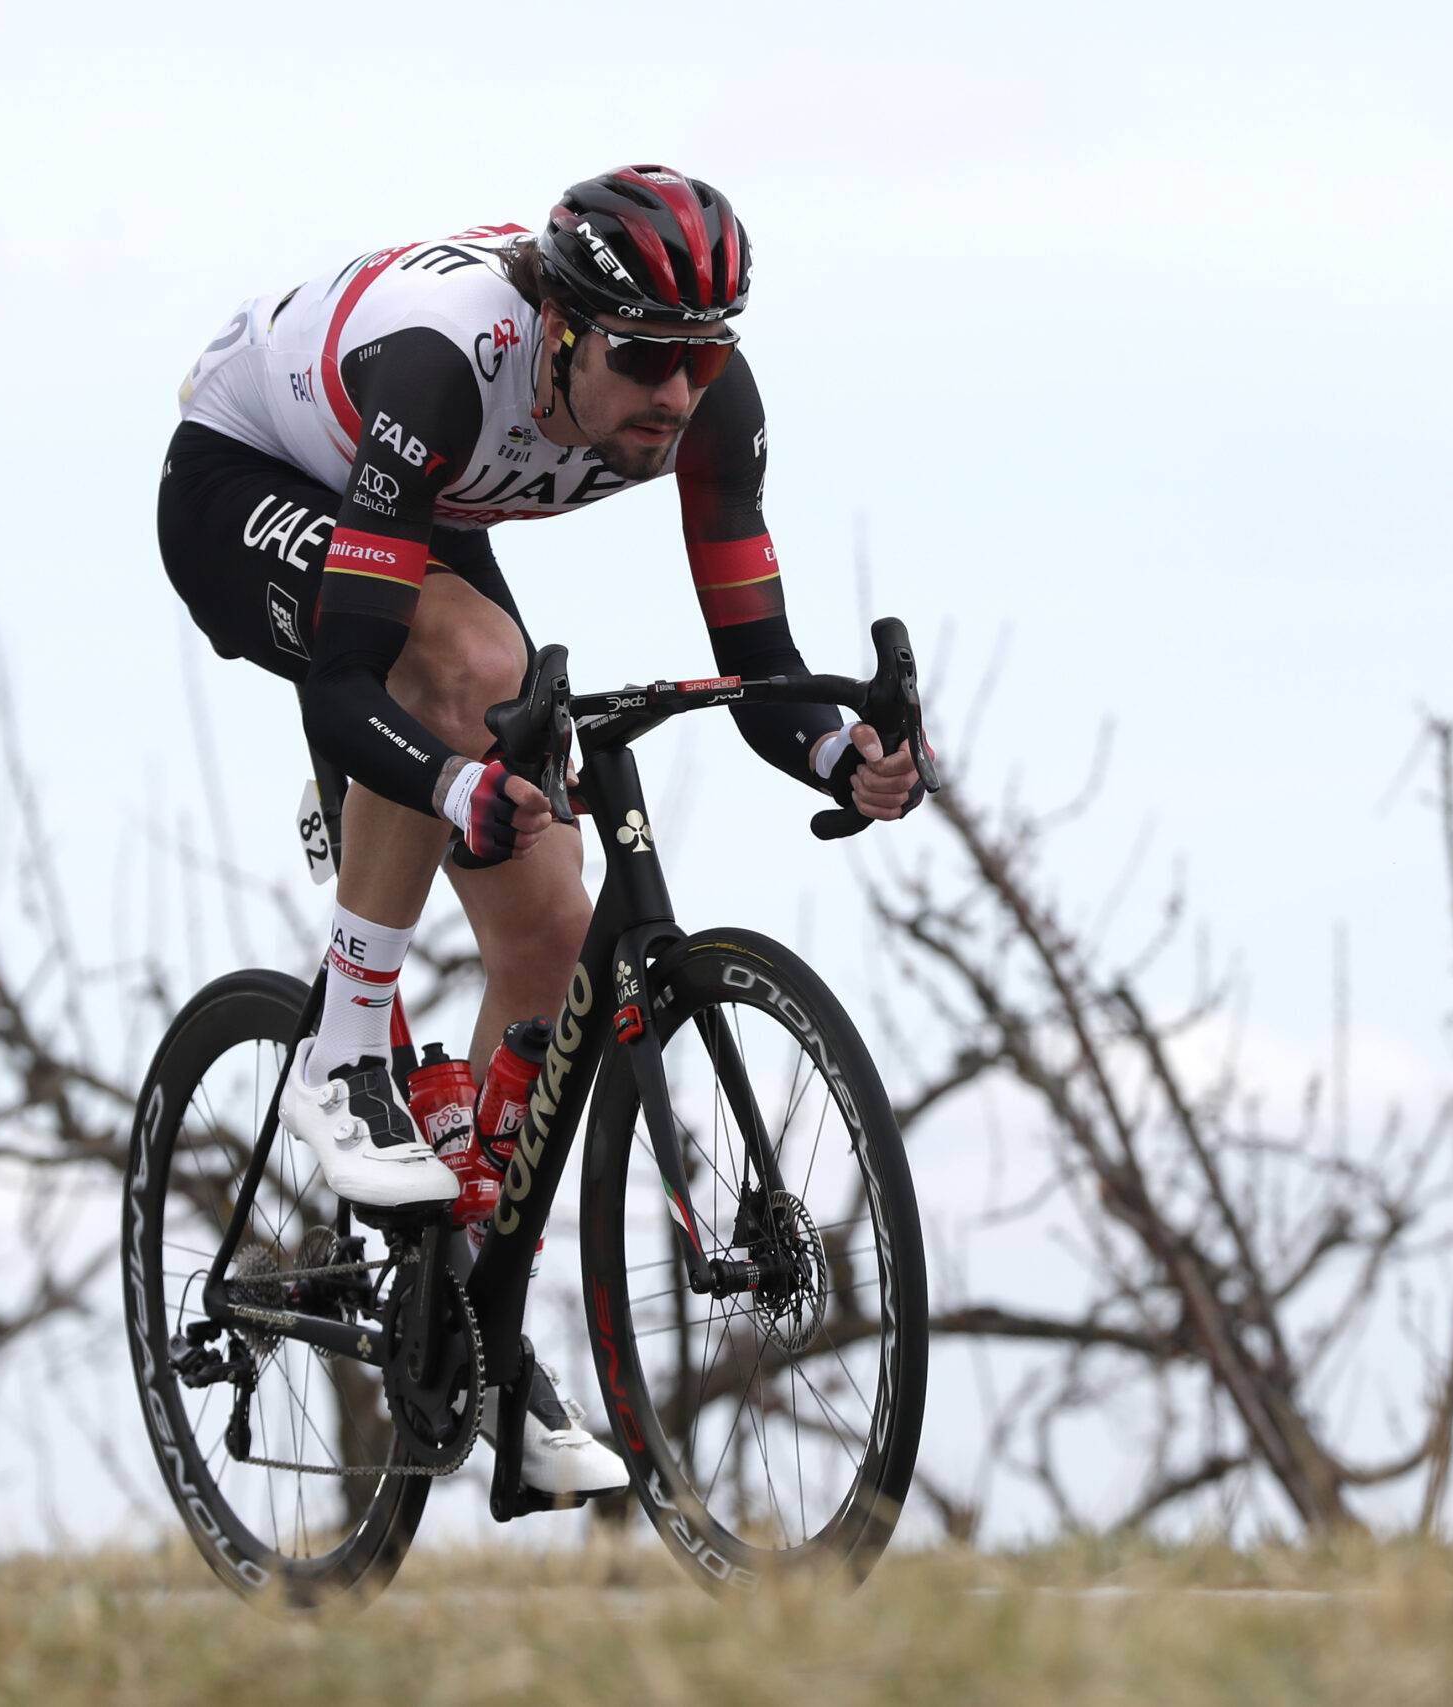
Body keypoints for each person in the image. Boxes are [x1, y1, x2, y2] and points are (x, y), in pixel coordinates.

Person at [156, 165, 926, 1502]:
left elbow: (759, 661)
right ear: (562, 331)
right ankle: (343, 1052)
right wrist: (439, 780)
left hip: (420, 508)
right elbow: (345, 679)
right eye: (644, 358)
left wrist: (837, 753)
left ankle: (470, 1331)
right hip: (251, 476)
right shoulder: (446, 365)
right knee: (465, 667)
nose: (675, 394)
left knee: (558, 939)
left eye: (702, 357)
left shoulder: (704, 401)